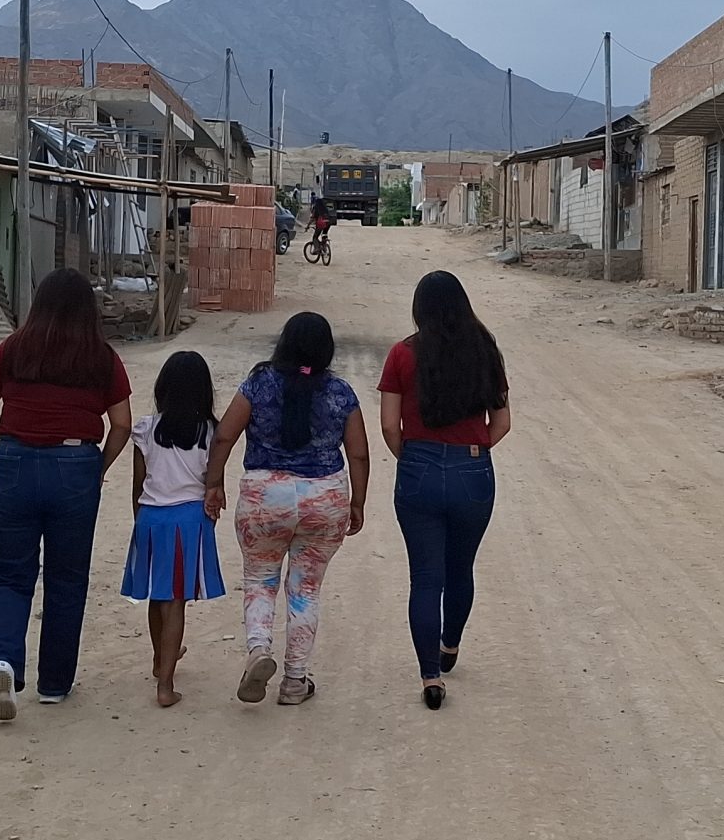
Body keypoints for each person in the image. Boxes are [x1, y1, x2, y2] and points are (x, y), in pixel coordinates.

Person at [0, 268, 132, 722]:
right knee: (67, 579)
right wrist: (96, 468)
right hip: (75, 466)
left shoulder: (14, 348)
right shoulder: (101, 357)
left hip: (14, 463)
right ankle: (53, 685)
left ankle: (4, 661)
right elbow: (122, 423)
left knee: (8, 574)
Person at [203, 312, 369, 706]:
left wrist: (213, 482)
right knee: (305, 590)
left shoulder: (259, 383)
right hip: (323, 497)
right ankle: (295, 681)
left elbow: (225, 434)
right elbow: (359, 453)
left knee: (260, 581)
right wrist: (356, 501)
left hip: (265, 496)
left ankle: (259, 649)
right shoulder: (341, 393)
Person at [377, 271, 509, 710]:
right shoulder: (485, 350)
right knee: (461, 569)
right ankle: (449, 646)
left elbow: (388, 426)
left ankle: (431, 676)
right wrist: (471, 451)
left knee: (425, 578)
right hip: (473, 472)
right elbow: (502, 422)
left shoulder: (402, 354)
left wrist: (413, 459)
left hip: (419, 468)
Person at [121, 351, 226, 708]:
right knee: (177, 599)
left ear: (162, 388)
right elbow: (213, 483)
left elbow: (138, 483)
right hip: (188, 520)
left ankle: (158, 659)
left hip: (151, 517)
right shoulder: (211, 432)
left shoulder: (146, 429)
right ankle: (165, 686)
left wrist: (140, 517)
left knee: (156, 594)